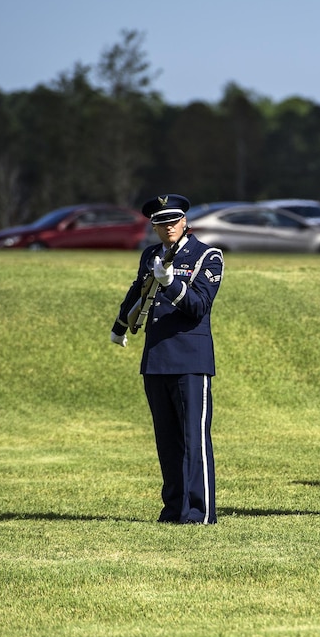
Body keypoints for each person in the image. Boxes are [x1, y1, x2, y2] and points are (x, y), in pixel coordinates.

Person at [111, 194, 224, 524]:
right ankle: (174, 508)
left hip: (190, 357)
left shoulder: (207, 255)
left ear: (185, 221)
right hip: (157, 356)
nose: (168, 227)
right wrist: (120, 326)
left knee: (194, 438)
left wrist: (171, 283)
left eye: (173, 220)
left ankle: (200, 511)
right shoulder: (150, 255)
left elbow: (199, 305)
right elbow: (138, 291)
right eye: (161, 223)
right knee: (167, 440)